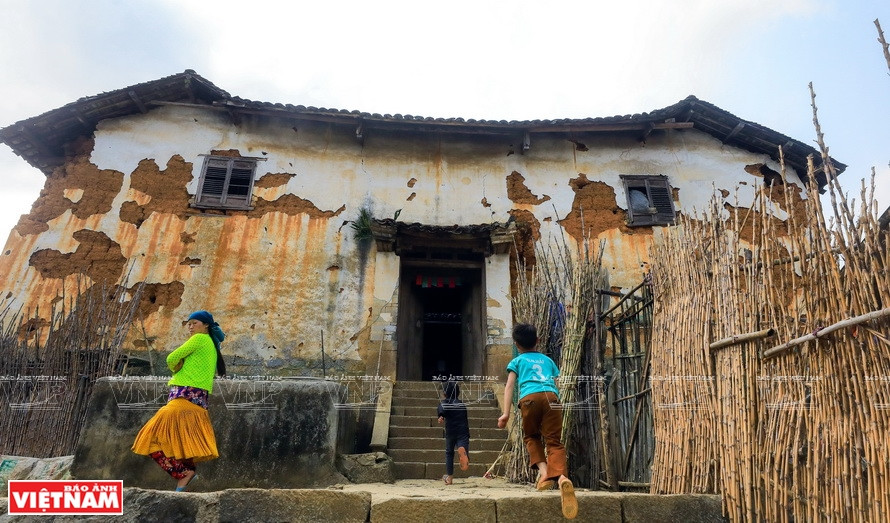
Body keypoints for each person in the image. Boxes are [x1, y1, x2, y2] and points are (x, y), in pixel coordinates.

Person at [132, 310, 226, 491]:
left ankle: (183, 473)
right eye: (188, 324)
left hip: (183, 398)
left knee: (149, 436)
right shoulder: (211, 344)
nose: (190, 326)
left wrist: (176, 368)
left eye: (195, 323)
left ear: (206, 325)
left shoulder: (199, 339)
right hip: (197, 402)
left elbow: (171, 358)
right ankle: (188, 474)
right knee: (183, 440)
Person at [497, 323, 577, 519]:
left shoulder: (517, 361)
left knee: (531, 436)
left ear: (516, 344)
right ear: (538, 341)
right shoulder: (548, 360)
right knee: (554, 441)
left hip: (529, 399)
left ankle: (543, 473)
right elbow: (558, 383)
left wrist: (505, 413)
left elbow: (509, 387)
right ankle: (561, 478)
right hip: (552, 397)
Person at [437, 380, 470, 485]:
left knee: (449, 453)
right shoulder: (462, 405)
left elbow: (441, 408)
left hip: (451, 431)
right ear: (458, 393)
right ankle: (464, 451)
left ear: (444, 394)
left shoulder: (445, 403)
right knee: (462, 444)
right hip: (463, 430)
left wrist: (441, 416)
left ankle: (450, 478)